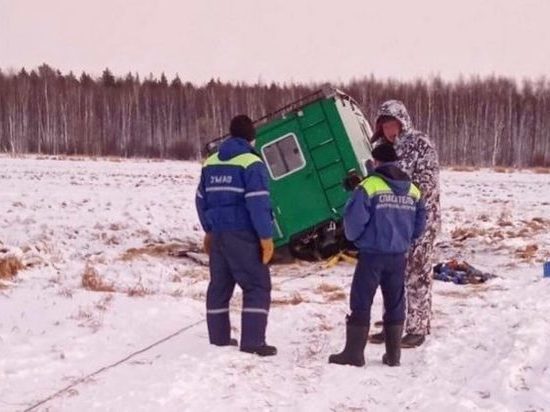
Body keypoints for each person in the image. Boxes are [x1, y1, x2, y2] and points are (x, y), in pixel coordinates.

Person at [329, 143, 426, 367]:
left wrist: (360, 241)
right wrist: (404, 239)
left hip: (372, 255)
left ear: (376, 161)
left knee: (361, 301)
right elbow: (421, 224)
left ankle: (354, 354)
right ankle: (394, 356)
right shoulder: (413, 189)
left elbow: (353, 225)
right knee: (395, 302)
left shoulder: (369, 186)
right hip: (398, 255)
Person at [195, 114, 277, 357]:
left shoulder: (210, 162)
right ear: (252, 138)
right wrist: (265, 236)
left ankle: (218, 339)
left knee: (219, 287)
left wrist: (209, 230)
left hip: (218, 235)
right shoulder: (251, 163)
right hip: (242, 235)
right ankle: (253, 342)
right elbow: (257, 203)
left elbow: (201, 199)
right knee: (257, 286)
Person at [369, 100, 441, 348]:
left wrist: (401, 194)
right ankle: (393, 325)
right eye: (385, 124)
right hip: (392, 223)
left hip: (421, 220)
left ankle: (417, 327)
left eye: (393, 123)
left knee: (417, 273)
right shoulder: (380, 148)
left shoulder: (421, 144)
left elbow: (427, 185)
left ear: (403, 121)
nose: (390, 129)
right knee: (392, 276)